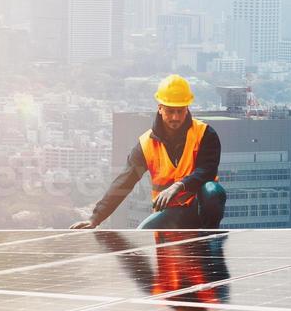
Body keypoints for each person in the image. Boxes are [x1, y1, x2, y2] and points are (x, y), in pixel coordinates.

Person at [71, 75, 227, 230]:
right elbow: (124, 182)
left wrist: (179, 186)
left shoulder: (205, 134)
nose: (175, 117)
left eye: (180, 111)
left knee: (212, 191)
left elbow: (207, 170)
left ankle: (209, 240)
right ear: (160, 107)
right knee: (143, 233)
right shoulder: (146, 144)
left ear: (187, 108)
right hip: (169, 212)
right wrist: (96, 218)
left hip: (199, 207)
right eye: (170, 111)